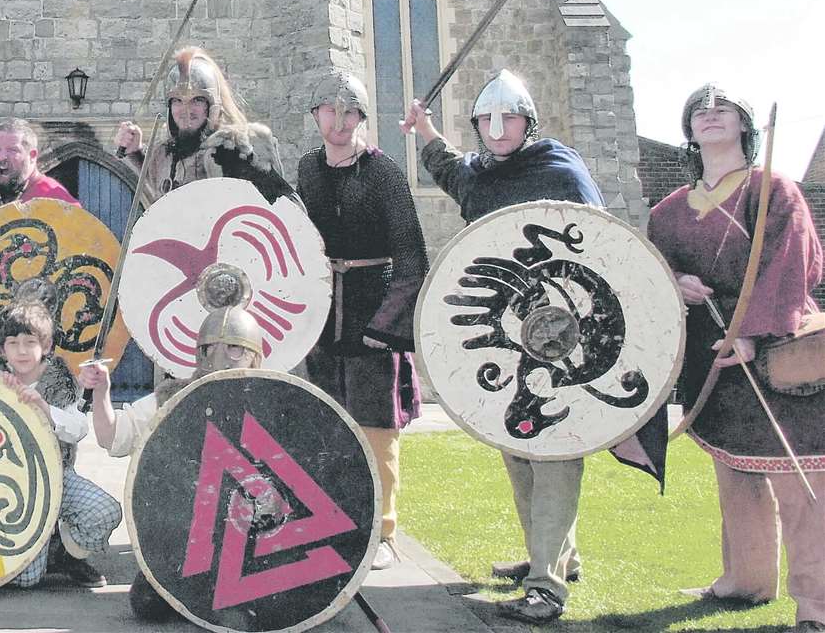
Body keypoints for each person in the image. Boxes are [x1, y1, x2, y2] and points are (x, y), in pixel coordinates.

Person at [402, 69, 603, 624]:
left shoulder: (558, 167)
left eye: (508, 117)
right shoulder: (479, 177)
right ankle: (557, 555)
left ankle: (546, 586)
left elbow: (601, 243)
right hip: (507, 330)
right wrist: (423, 128)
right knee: (516, 437)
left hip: (564, 330)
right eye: (487, 120)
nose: (496, 128)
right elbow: (446, 164)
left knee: (555, 445)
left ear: (527, 121)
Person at [648, 84, 824, 633]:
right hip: (711, 357)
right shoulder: (668, 212)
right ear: (689, 130)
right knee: (735, 471)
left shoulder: (776, 191)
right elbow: (650, 272)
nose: (709, 113)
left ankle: (817, 604)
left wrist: (752, 334)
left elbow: (794, 267)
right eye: (699, 109)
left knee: (802, 484)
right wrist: (675, 282)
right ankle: (745, 580)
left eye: (722, 108)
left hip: (782, 354)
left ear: (746, 125)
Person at [297, 71, 427, 571]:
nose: (339, 120)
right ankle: (333, 524)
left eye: (349, 111)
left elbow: (411, 257)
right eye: (330, 110)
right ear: (317, 116)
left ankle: (382, 531)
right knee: (328, 423)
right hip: (323, 311)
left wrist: (385, 324)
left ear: (361, 118)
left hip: (374, 309)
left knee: (376, 427)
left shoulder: (383, 173)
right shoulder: (308, 170)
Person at [79, 305, 264, 619]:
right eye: (212, 348)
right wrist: (102, 392)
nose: (221, 356)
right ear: (199, 353)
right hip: (190, 536)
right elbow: (113, 436)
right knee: (148, 603)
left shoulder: (270, 401)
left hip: (250, 538)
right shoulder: (171, 397)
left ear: (254, 355)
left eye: (234, 347)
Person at [0, 301, 121, 589]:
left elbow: (77, 429)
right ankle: (45, 550)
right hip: (9, 484)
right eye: (13, 343)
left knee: (105, 511)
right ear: (2, 349)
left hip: (56, 476)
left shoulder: (60, 382)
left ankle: (66, 552)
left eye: (30, 342)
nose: (22, 351)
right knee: (25, 579)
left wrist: (45, 410)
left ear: (46, 346)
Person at [114, 46, 297, 207]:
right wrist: (135, 152)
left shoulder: (235, 150)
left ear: (212, 106)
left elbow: (288, 209)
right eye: (178, 100)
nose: (187, 110)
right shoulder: (166, 155)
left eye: (197, 100)